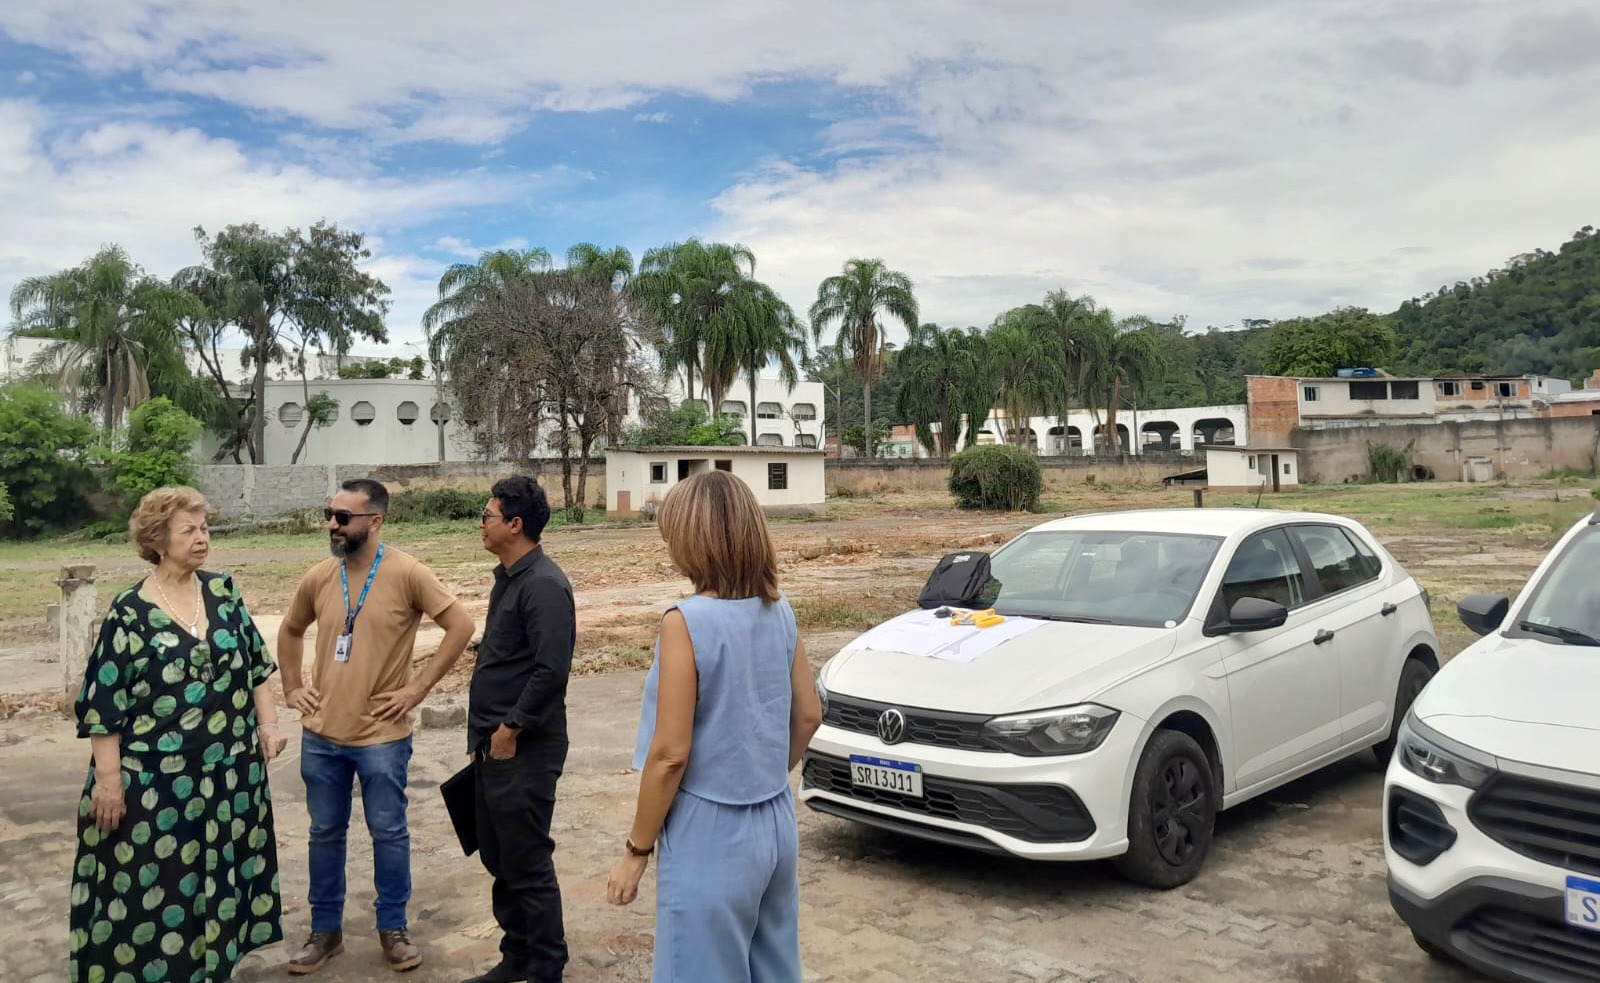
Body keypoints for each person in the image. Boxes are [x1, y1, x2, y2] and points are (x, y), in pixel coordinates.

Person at [606, 470, 823, 983]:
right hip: (774, 819)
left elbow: (669, 755)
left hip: (711, 827)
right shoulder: (780, 610)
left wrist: (636, 852)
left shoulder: (685, 621)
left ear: (693, 541)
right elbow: (809, 714)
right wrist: (763, 765)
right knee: (772, 967)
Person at [69, 486, 286, 983]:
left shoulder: (224, 591)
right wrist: (108, 781)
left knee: (221, 886)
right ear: (158, 540)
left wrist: (268, 726)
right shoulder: (129, 612)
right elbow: (105, 706)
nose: (202, 538)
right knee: (157, 890)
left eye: (204, 528)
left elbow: (256, 668)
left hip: (230, 777)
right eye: (188, 530)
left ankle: (215, 972)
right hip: (156, 786)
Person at [277, 478, 475, 974]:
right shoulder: (321, 576)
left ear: (374, 521)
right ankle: (326, 932)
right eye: (330, 515)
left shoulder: (407, 572)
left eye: (343, 518)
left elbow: (462, 626)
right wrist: (292, 686)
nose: (332, 525)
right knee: (325, 833)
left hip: (382, 738)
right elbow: (290, 629)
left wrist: (417, 690)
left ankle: (393, 929)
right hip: (321, 735)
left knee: (389, 832)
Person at [463, 476, 576, 983]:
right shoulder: (508, 578)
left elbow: (551, 671)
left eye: (488, 516)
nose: (481, 524)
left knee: (526, 860)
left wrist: (510, 729)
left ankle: (547, 966)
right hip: (491, 745)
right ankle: (517, 958)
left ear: (514, 524)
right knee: (499, 854)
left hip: (522, 749)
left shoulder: (544, 585)